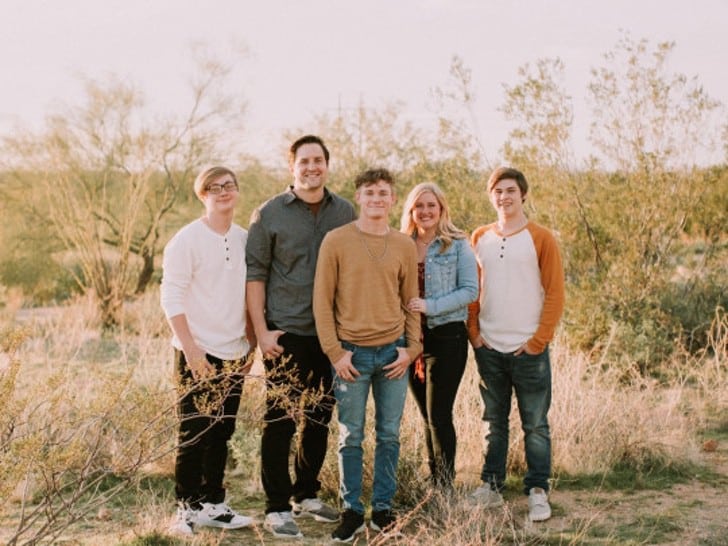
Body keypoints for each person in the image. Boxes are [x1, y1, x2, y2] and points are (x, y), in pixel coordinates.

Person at [246, 135, 356, 539]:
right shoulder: (269, 213)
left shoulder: (344, 211)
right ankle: (277, 507)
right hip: (286, 332)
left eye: (318, 161)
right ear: (292, 167)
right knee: (280, 420)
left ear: (327, 164)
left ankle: (306, 493)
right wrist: (261, 333)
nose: (312, 168)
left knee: (319, 418)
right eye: (304, 161)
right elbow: (255, 275)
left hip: (330, 335)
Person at [313, 168, 422, 543]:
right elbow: (322, 302)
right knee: (351, 436)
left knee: (389, 435)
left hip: (393, 354)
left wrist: (412, 348)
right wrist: (335, 353)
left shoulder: (404, 244)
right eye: (370, 192)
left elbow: (411, 302)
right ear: (358, 197)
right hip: (351, 355)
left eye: (383, 193)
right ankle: (352, 512)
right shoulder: (336, 240)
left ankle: (383, 511)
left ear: (393, 200)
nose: (377, 198)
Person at [160, 166, 255, 536]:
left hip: (235, 351)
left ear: (237, 191)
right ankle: (185, 508)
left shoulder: (244, 239)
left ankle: (213, 504)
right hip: (196, 350)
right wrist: (191, 349)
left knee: (222, 431)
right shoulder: (186, 240)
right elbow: (171, 296)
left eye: (229, 185)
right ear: (203, 195)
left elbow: (250, 297)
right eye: (214, 187)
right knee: (193, 432)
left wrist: (249, 347)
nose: (223, 192)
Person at [467, 166, 565, 522]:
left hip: (528, 348)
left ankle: (537, 490)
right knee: (493, 421)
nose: (504, 197)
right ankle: (491, 486)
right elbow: (473, 289)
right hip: (489, 346)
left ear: (522, 194)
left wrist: (539, 341)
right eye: (498, 191)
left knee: (535, 424)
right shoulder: (479, 237)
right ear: (490, 196)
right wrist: (474, 333)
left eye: (510, 190)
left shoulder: (541, 238)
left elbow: (555, 293)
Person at [399, 182, 478, 489]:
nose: (425, 211)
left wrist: (430, 306)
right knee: (425, 415)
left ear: (442, 208)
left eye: (431, 205)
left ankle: (444, 487)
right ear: (411, 211)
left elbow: (470, 291)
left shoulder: (457, 244)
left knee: (439, 414)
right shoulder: (401, 244)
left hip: (447, 337)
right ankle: (435, 480)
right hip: (411, 340)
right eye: (419, 206)